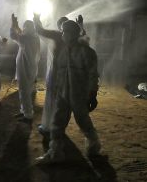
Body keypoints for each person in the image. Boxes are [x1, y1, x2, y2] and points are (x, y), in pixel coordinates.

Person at [36, 20, 100, 163]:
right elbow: (60, 74)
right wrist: (58, 90)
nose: (63, 34)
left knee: (83, 122)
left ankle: (94, 145)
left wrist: (92, 94)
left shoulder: (86, 52)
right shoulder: (63, 52)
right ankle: (55, 152)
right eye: (63, 31)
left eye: (65, 31)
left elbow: (93, 75)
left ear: (73, 33)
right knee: (56, 124)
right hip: (63, 94)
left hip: (79, 95)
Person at [33, 14, 68, 137]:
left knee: (52, 98)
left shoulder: (57, 35)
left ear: (60, 27)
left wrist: (36, 18)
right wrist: (80, 25)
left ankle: (48, 126)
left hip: (56, 71)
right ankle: (59, 125)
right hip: (67, 73)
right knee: (63, 99)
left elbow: (40, 30)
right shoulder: (74, 38)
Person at [10, 14, 40, 124]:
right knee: (25, 90)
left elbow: (13, 35)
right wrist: (17, 25)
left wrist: (13, 24)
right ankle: (24, 111)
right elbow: (22, 33)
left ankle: (27, 114)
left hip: (25, 67)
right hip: (31, 67)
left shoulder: (25, 38)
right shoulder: (35, 36)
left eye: (25, 26)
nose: (23, 28)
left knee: (24, 91)